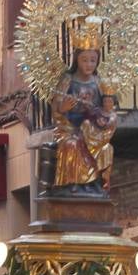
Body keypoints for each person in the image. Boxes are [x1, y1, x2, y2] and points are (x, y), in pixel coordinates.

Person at [50, 30, 116, 194]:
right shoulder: (67, 80)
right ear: (77, 60)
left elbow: (107, 107)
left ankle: (94, 184)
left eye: (93, 60)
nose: (89, 64)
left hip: (92, 129)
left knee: (104, 147)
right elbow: (56, 108)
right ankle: (74, 183)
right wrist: (63, 108)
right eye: (84, 60)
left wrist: (100, 115)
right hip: (69, 128)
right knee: (73, 144)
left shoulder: (99, 82)